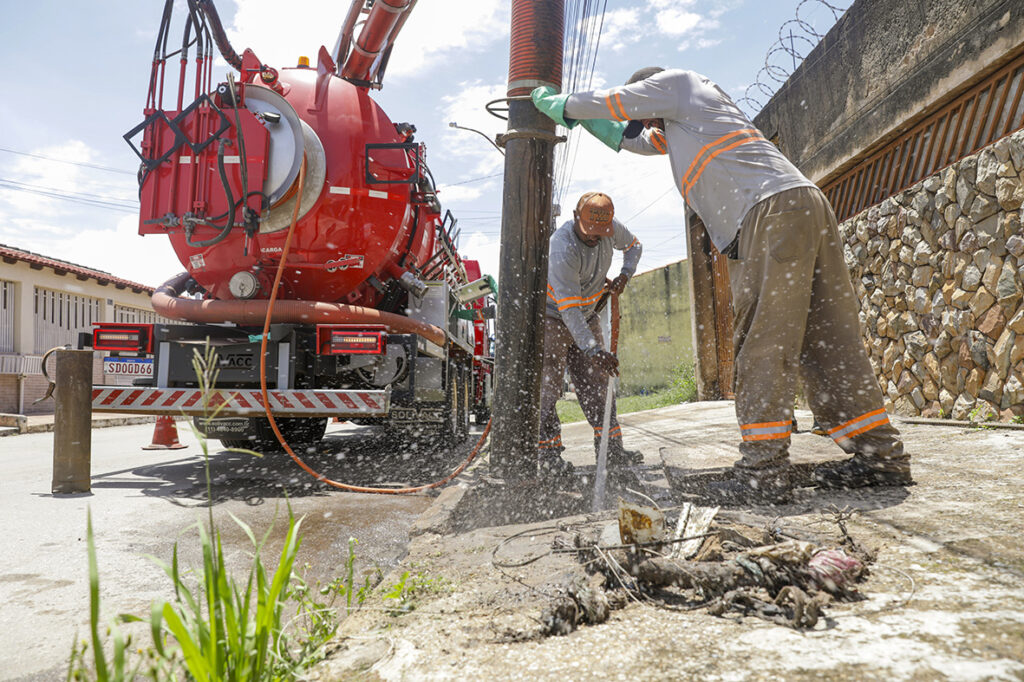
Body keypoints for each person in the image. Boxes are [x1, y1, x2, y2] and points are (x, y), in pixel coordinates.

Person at [532, 68, 912, 502]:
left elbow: (614, 103)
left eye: (650, 116)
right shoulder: (691, 122)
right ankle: (881, 456)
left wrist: (562, 106)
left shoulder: (678, 84)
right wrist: (586, 122)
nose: (651, 127)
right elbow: (630, 138)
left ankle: (763, 471)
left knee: (762, 344)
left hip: (767, 213)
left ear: (650, 94)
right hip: (803, 203)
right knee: (827, 340)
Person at [538, 191, 643, 477]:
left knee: (598, 384)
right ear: (576, 217)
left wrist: (625, 274)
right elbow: (568, 310)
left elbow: (634, 246)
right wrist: (593, 350)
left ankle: (612, 451)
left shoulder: (609, 226)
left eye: (601, 232)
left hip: (586, 313)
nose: (596, 237)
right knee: (547, 388)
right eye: (590, 231)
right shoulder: (562, 247)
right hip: (553, 317)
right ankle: (548, 457)